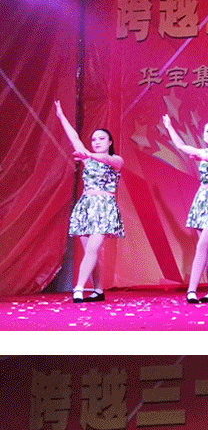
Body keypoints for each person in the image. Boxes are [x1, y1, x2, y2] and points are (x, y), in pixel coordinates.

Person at [54, 101, 124, 304]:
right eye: (94, 139)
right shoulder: (89, 158)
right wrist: (61, 116)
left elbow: (107, 160)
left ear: (110, 142)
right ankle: (98, 289)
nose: (97, 142)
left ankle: (78, 288)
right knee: (89, 251)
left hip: (104, 207)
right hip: (86, 207)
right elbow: (74, 138)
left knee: (93, 249)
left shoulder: (116, 160)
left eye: (101, 139)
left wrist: (89, 154)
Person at [162, 115, 208, 304]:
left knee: (202, 244)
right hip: (202, 199)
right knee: (207, 248)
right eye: (207, 131)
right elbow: (181, 146)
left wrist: (201, 156)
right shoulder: (202, 152)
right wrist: (169, 127)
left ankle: (191, 290)